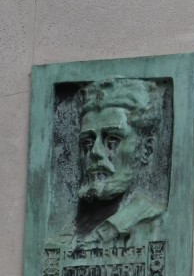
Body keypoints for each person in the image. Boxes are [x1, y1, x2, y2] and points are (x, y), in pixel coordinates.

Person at [70, 77, 166, 243]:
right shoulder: (63, 239)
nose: (95, 152)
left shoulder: (159, 225)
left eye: (112, 140)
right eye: (87, 142)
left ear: (147, 149)